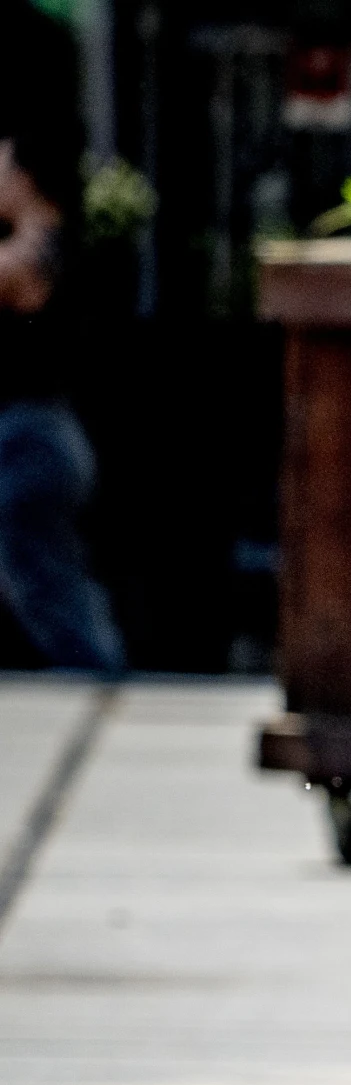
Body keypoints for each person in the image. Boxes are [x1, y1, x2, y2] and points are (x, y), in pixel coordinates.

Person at [0, 0, 124, 674]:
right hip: (34, 434)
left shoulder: (40, 243)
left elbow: (20, 281)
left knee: (49, 593)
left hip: (30, 437)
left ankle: (100, 683)